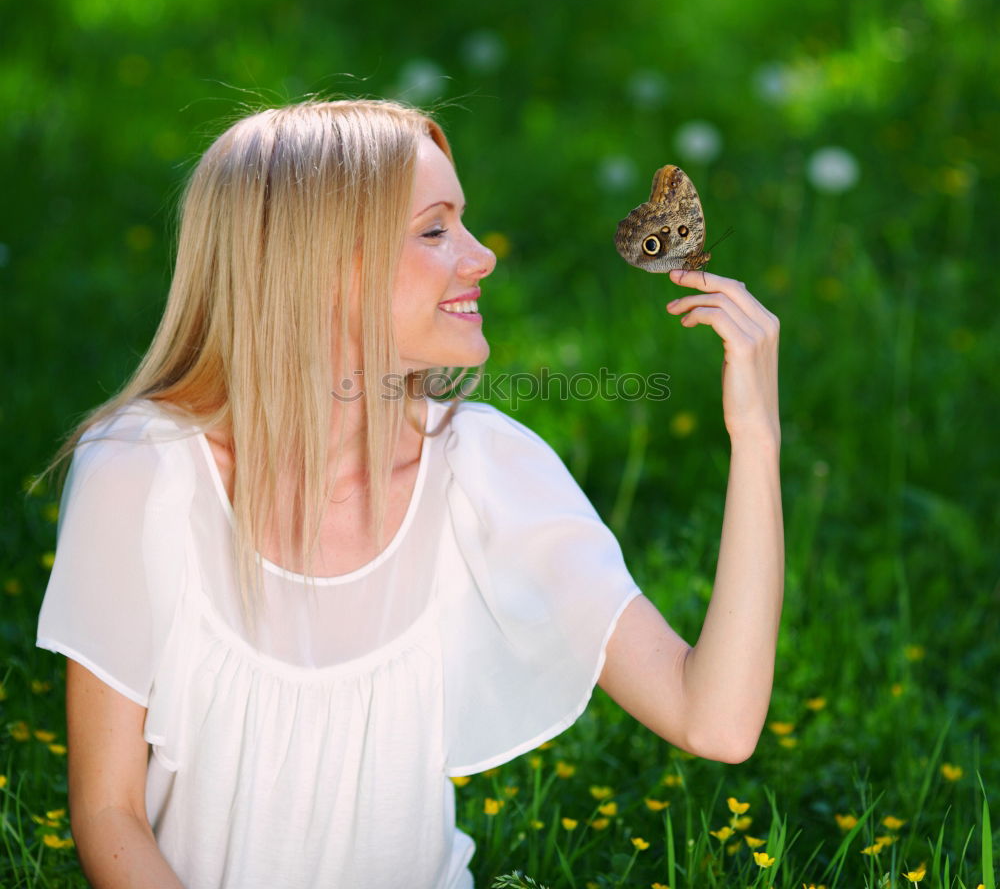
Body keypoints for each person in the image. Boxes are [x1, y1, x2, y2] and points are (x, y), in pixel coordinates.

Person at [36, 99, 783, 889]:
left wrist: (758, 441)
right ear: (314, 264)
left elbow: (716, 722)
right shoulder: (142, 471)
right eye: (435, 230)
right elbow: (109, 811)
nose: (481, 256)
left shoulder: (485, 469)